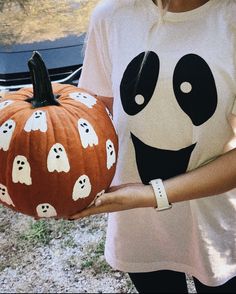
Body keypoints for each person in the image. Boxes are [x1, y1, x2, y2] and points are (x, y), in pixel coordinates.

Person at [70, 0, 236, 292]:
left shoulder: (230, 19)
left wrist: (152, 193)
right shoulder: (111, 16)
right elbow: (90, 120)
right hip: (139, 228)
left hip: (216, 228)